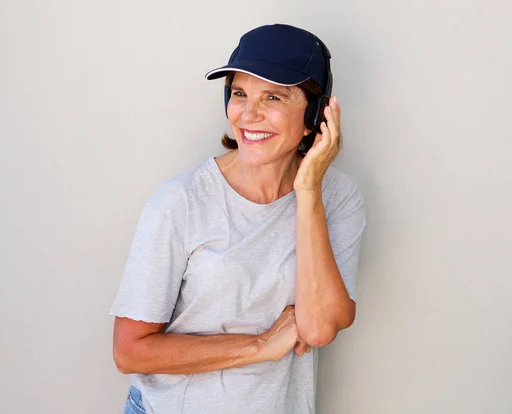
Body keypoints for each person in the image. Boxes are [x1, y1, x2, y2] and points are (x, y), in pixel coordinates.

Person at [111, 23, 366, 414]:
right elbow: (130, 352)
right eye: (239, 93)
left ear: (316, 113)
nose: (249, 114)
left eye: (273, 98)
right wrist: (260, 345)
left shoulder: (338, 197)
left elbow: (318, 328)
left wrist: (308, 191)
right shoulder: (180, 202)